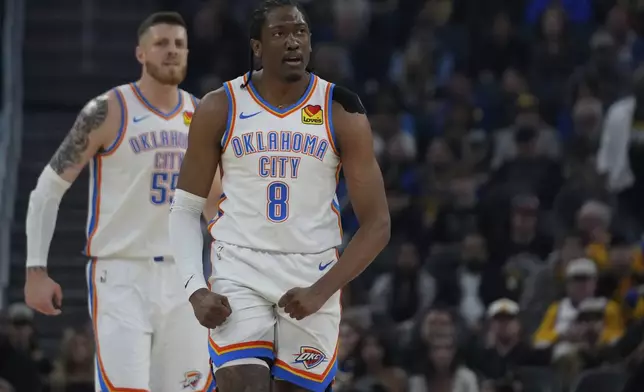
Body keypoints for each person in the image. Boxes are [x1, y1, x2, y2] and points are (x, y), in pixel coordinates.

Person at [168, 0, 390, 391]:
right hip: (240, 270)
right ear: (257, 47)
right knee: (242, 383)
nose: (293, 43)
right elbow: (185, 207)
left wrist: (323, 290)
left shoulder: (342, 111)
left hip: (312, 274)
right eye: (280, 33)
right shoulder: (220, 106)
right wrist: (195, 288)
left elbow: (377, 225)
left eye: (300, 33)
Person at [23, 12, 218, 392]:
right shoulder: (107, 110)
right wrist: (35, 270)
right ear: (140, 53)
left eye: (179, 44)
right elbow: (48, 189)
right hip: (121, 274)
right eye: (161, 43)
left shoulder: (202, 115)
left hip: (186, 277)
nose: (171, 51)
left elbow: (215, 203)